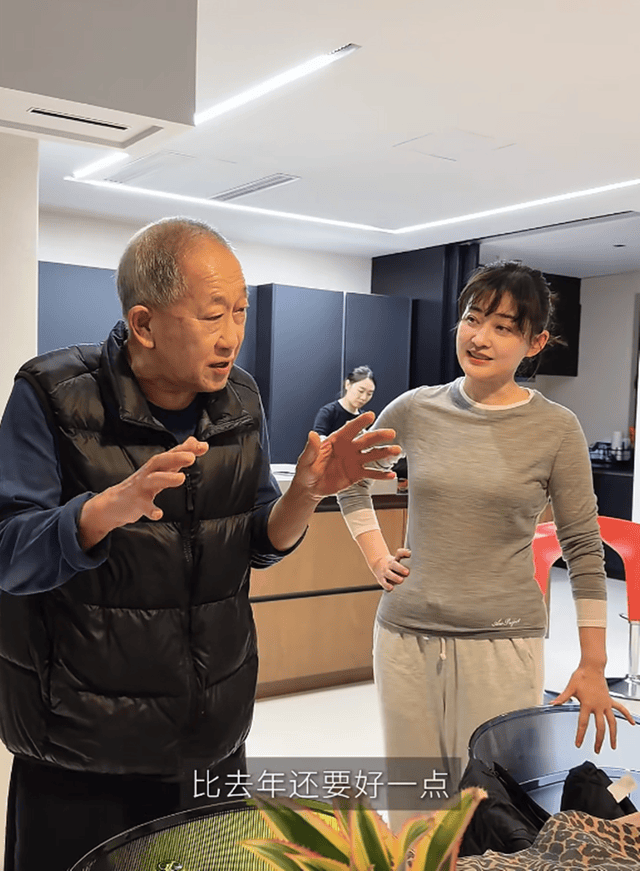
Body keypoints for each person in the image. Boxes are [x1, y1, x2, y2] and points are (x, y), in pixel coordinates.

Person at [0, 217, 399, 871]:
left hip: (210, 735)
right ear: (144, 323)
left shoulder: (239, 398)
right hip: (82, 746)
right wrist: (101, 511)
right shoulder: (51, 395)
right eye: (214, 314)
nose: (232, 334)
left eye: (240, 312)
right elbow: (9, 551)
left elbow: (256, 540)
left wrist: (306, 493)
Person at [337, 261, 634, 824]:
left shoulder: (556, 428)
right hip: (405, 636)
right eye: (473, 319)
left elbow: (582, 546)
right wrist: (376, 554)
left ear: (535, 342)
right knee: (415, 812)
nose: (480, 337)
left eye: (503, 327)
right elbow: (348, 476)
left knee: (491, 815)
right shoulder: (417, 408)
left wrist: (593, 661)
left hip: (502, 642)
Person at [313, 366, 376, 438]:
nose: (363, 397)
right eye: (360, 391)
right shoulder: (328, 412)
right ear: (347, 384)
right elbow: (318, 440)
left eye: (369, 394)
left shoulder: (365, 418)